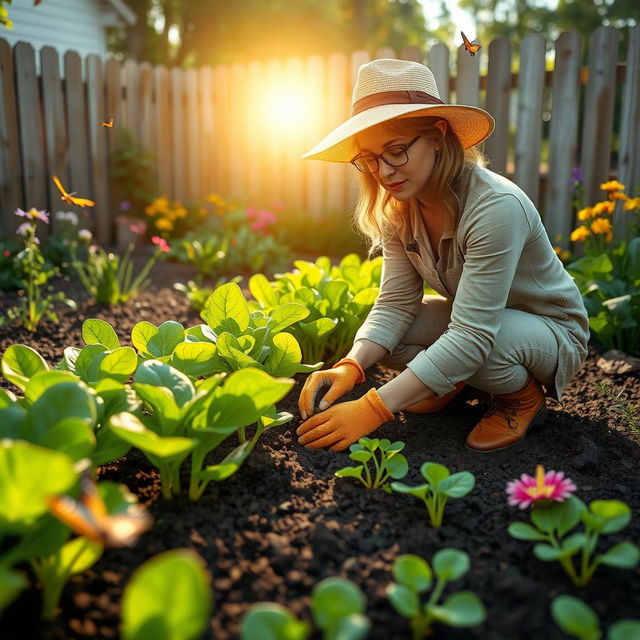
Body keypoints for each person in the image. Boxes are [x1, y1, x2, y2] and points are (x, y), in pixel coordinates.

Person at [295, 58, 589, 453]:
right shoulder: (400, 209)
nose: (383, 172)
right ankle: (451, 380)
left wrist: (374, 407)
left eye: (396, 151)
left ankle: (522, 400)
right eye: (368, 159)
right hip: (482, 323)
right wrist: (352, 365)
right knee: (394, 335)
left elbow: (472, 335)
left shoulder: (495, 207)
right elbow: (395, 305)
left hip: (549, 331)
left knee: (479, 348)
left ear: (437, 135)